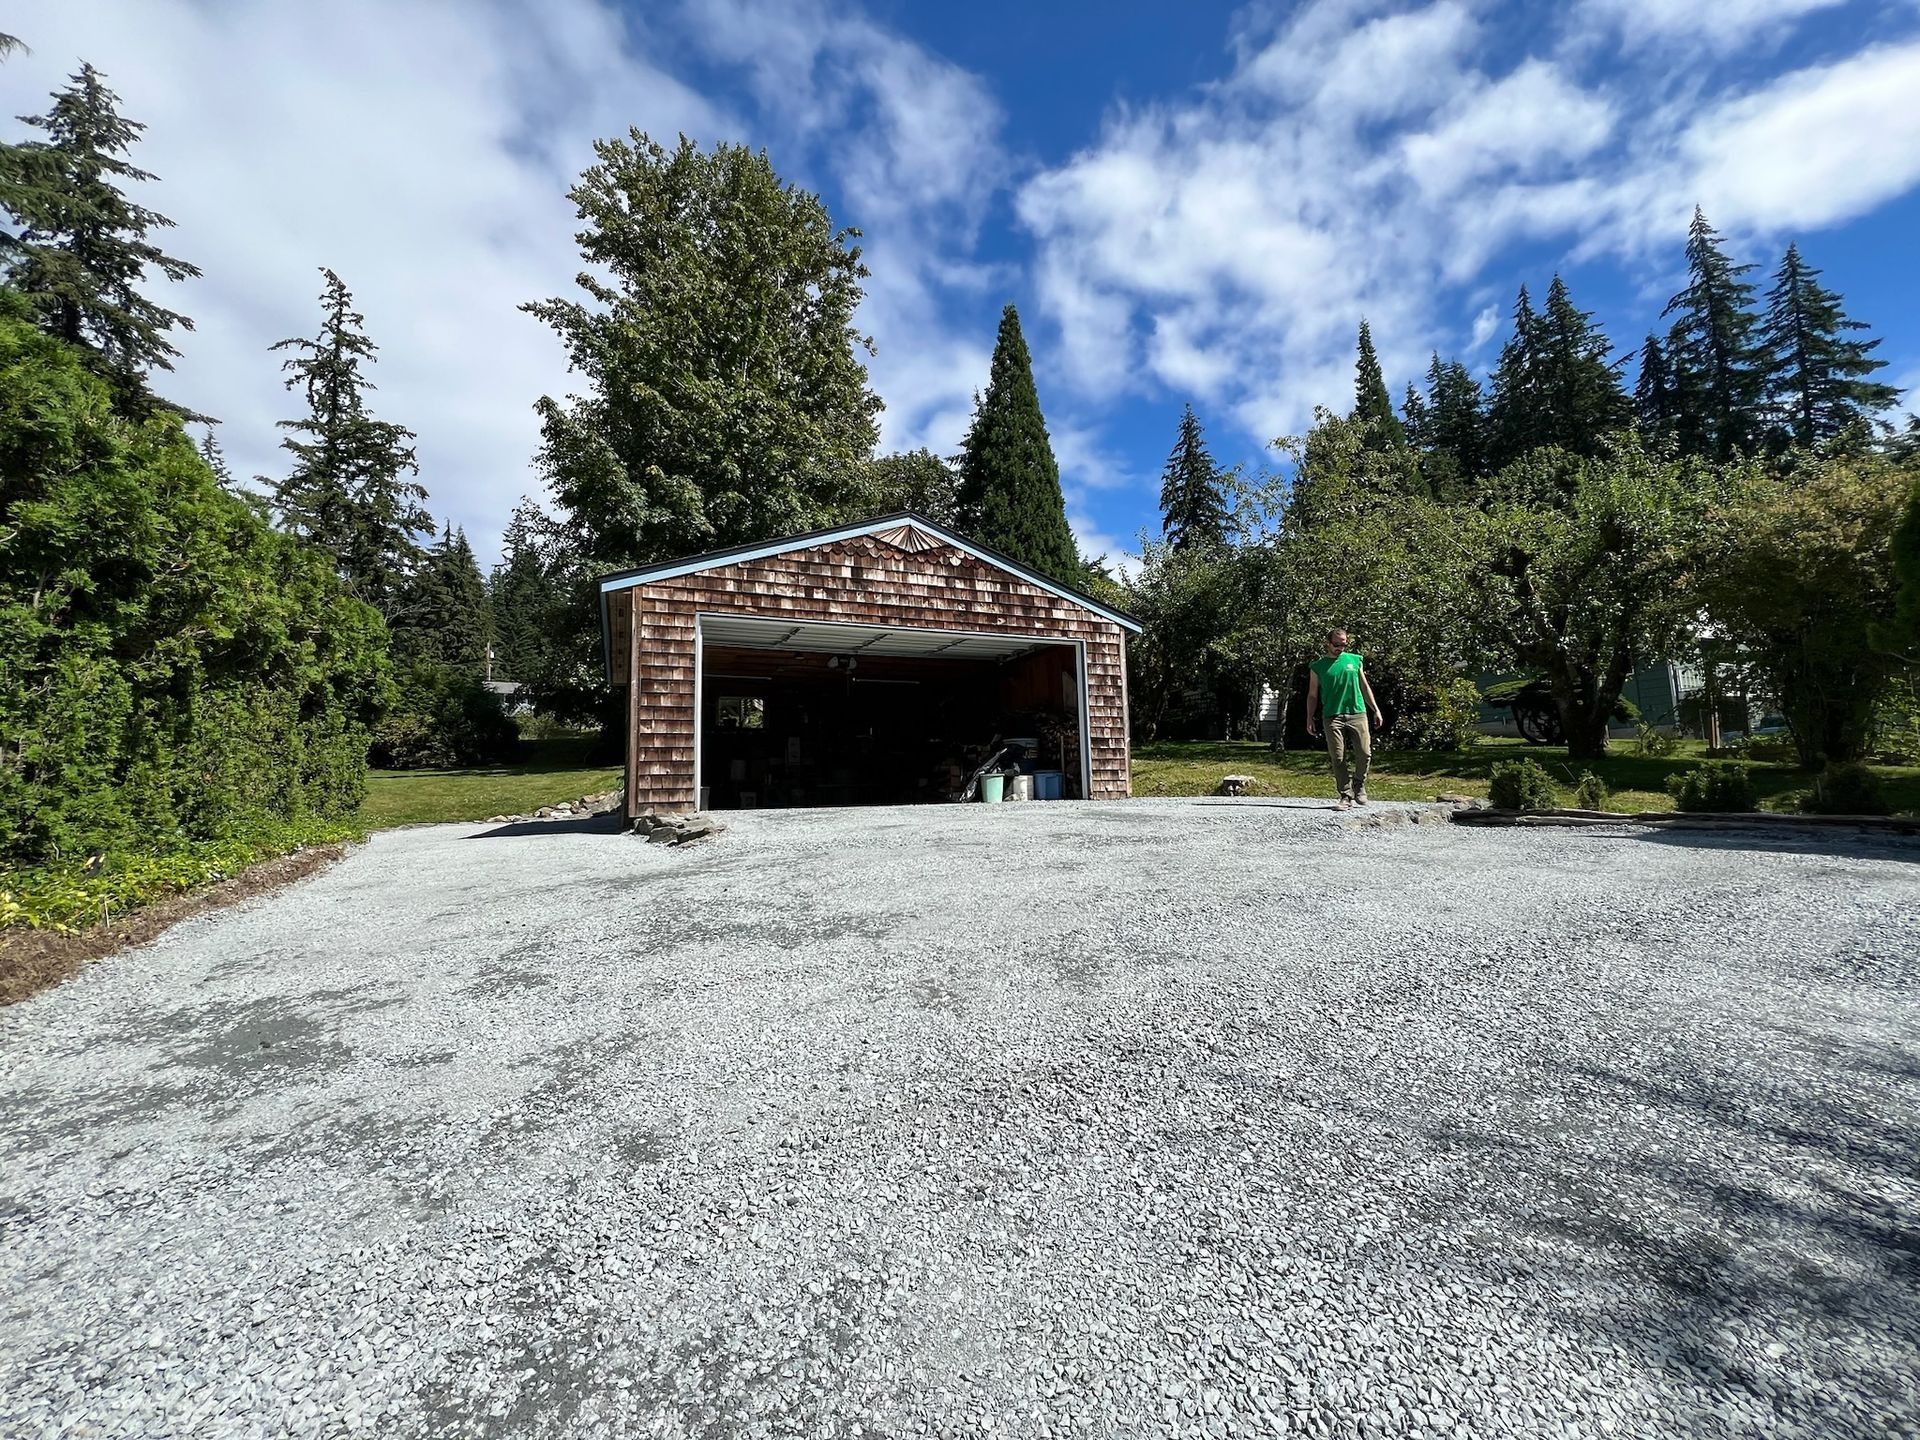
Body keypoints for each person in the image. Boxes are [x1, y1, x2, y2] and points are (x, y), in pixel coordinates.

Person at [1305, 628, 1383, 809]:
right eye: (1337, 644)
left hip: (1357, 713)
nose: (1340, 647)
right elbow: (1312, 695)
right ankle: (1345, 795)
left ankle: (1359, 785)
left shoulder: (1355, 660)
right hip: (1332, 716)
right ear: (1328, 643)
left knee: (1365, 753)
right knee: (1338, 757)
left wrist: (1375, 710)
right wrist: (1310, 717)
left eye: (1344, 644)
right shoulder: (1318, 666)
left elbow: (1364, 687)